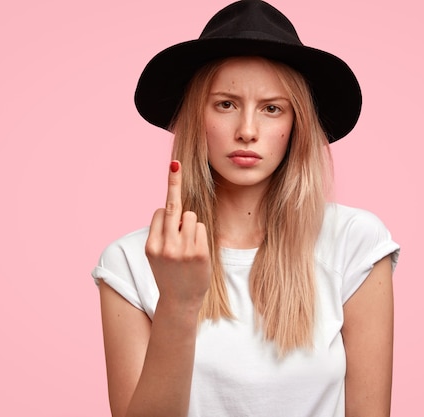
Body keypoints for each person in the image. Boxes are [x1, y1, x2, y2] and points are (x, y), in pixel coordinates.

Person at [91, 1, 400, 416]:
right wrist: (179, 305)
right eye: (225, 104)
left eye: (272, 108)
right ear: (195, 117)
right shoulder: (129, 262)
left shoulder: (354, 243)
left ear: (296, 127)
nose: (248, 131)